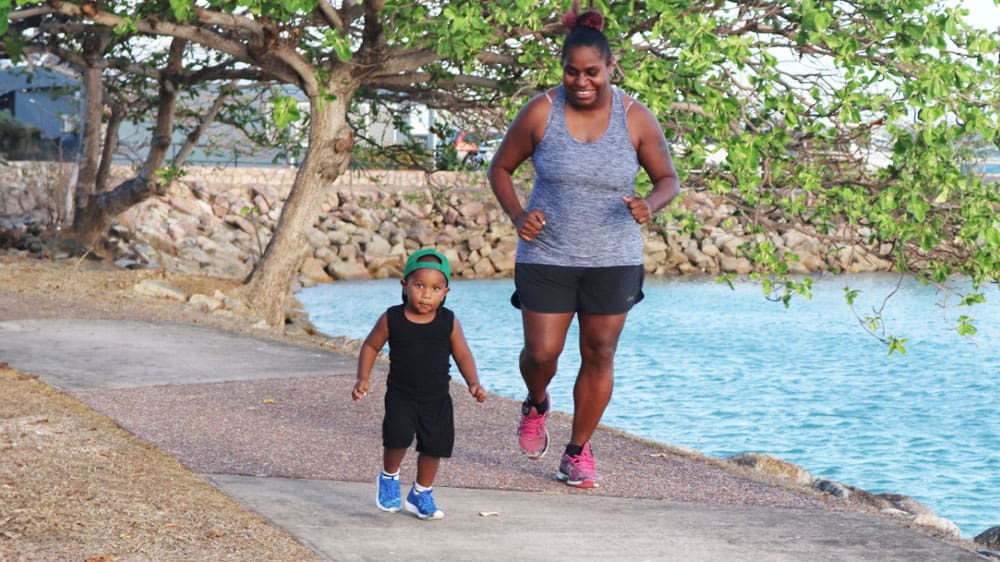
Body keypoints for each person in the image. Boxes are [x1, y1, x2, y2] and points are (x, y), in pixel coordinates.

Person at [486, 2, 681, 489]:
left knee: (599, 352)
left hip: (612, 257)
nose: (581, 81)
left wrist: (649, 205)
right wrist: (517, 215)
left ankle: (577, 452)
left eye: (591, 72)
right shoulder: (541, 111)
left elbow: (668, 179)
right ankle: (535, 403)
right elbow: (500, 168)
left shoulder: (636, 118)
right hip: (547, 253)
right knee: (541, 355)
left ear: (610, 68)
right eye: (571, 72)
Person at [351, 248, 487, 519]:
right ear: (405, 286)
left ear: (445, 292)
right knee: (397, 437)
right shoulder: (392, 318)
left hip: (436, 397)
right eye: (419, 285)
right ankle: (389, 478)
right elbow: (370, 346)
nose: (426, 294)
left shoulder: (448, 322)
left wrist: (473, 382)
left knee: (434, 446)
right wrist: (362, 378)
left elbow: (462, 353)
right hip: (401, 394)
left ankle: (421, 493)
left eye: (435, 288)